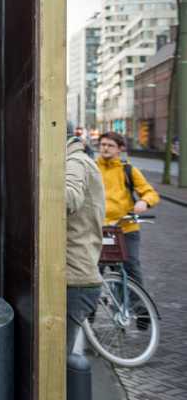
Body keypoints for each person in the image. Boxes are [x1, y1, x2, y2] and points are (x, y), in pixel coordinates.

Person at [96, 131, 159, 285]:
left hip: (125, 228)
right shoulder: (92, 168)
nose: (105, 148)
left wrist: (144, 202)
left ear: (120, 149)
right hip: (98, 228)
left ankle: (138, 308)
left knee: (131, 268)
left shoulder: (128, 170)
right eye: (103, 144)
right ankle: (90, 308)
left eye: (110, 145)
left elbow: (150, 193)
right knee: (92, 271)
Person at [65, 130, 105, 354]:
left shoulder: (75, 162)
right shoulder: (79, 160)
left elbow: (70, 196)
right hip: (77, 278)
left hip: (76, 280)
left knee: (59, 362)